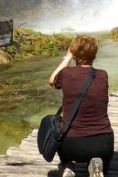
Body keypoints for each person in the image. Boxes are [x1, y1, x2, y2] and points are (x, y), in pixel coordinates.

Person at [48, 35, 114, 177]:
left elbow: (52, 80)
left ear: (74, 53)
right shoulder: (102, 75)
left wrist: (67, 57)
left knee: (58, 124)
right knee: (98, 151)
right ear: (95, 54)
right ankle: (96, 164)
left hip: (72, 145)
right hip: (103, 143)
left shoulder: (66, 74)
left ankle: (68, 166)